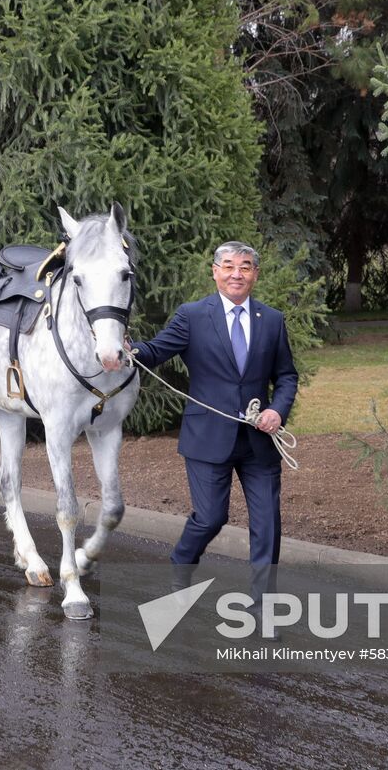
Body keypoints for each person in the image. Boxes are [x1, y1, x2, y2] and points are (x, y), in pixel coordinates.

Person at [130, 242, 298, 578]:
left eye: (246, 266)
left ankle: (263, 606)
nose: (237, 273)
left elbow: (286, 376)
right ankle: (181, 562)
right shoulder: (192, 316)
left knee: (267, 524)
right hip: (208, 438)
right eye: (229, 265)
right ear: (215, 271)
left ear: (255, 274)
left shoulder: (272, 320)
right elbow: (154, 351)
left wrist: (277, 411)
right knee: (210, 518)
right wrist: (128, 349)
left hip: (259, 441)